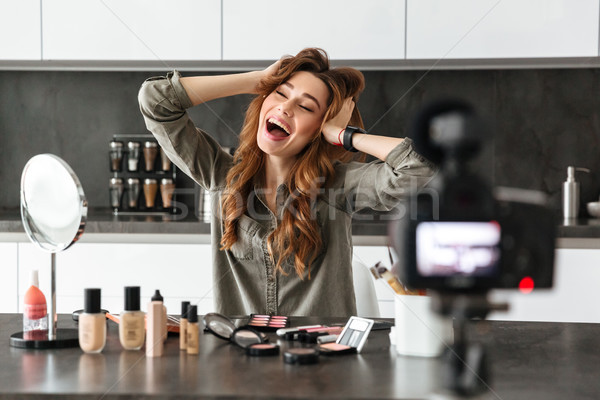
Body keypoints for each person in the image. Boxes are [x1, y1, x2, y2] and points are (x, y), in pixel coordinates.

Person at [138, 48, 436, 317]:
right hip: (240, 357)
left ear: (319, 128)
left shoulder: (337, 186)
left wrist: (344, 135)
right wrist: (256, 80)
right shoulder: (220, 173)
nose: (285, 108)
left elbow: (420, 165)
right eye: (281, 94)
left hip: (321, 361)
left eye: (306, 107)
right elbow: (155, 101)